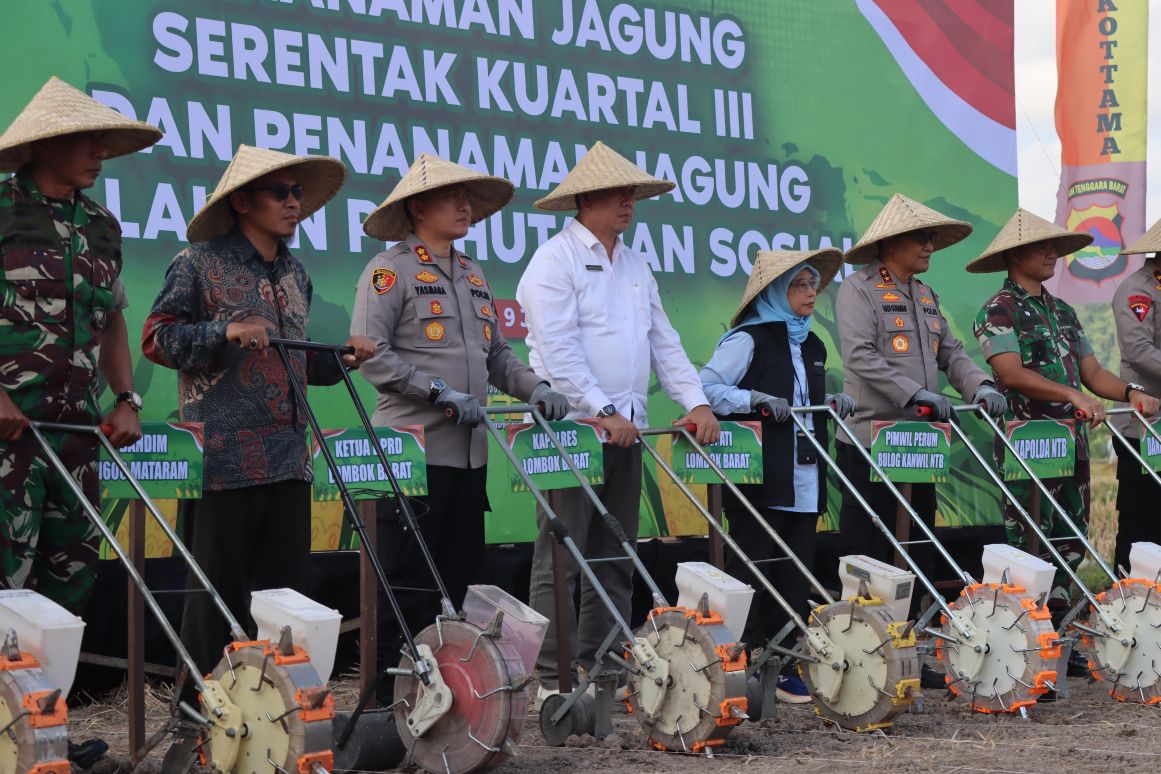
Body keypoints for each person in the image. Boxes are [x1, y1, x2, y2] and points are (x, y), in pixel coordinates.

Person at [142, 145, 375, 684]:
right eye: (281, 193)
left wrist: (344, 360)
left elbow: (297, 367)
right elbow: (156, 338)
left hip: (289, 460)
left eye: (297, 193)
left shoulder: (297, 275)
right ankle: (198, 717)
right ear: (244, 203)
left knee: (286, 600)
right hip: (221, 461)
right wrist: (222, 331)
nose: (294, 203)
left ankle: (275, 712)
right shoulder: (198, 262)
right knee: (213, 600)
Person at [352, 153, 568, 699]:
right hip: (411, 459)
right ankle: (385, 705)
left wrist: (535, 387)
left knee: (455, 588)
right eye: (453, 197)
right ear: (418, 207)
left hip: (469, 460)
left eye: (468, 197)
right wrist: (437, 391)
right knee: (406, 588)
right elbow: (369, 354)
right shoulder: (388, 270)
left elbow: (496, 355)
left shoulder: (473, 274)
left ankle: (444, 703)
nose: (465, 206)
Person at [517, 141, 720, 698]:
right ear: (585, 199)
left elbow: (665, 341)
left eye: (633, 193)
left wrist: (694, 400)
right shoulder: (552, 261)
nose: (628, 202)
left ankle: (605, 663)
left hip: (626, 428)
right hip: (574, 429)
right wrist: (601, 409)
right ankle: (550, 676)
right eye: (616, 193)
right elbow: (556, 352)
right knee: (561, 551)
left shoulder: (634, 263)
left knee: (615, 549)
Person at [0, 77, 161, 612]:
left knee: (68, 593)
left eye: (105, 145)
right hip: (8, 435)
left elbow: (112, 316)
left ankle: (48, 699)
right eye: (88, 141)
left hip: (76, 438)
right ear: (46, 143)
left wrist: (124, 399)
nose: (101, 155)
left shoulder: (101, 226)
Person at [972, 208, 1160, 620]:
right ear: (1014, 255)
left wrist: (1132, 392)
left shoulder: (1063, 311)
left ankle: (1054, 629)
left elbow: (1092, 372)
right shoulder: (999, 310)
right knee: (1027, 542)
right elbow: (1010, 372)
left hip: (1070, 444)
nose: (1051, 252)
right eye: (1041, 245)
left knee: (1071, 539)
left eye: (1054, 245)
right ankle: (1020, 634)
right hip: (1027, 445)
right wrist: (1072, 394)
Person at [837, 193, 1007, 616]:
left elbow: (951, 353)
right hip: (869, 442)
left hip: (919, 443)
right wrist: (914, 394)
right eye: (920, 237)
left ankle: (913, 639)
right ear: (890, 242)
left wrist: (981, 387)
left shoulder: (926, 293)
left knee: (918, 545)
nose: (930, 245)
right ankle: (870, 647)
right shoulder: (857, 289)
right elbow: (859, 356)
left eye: (932, 237)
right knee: (872, 553)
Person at [700, 247, 853, 704]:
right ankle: (735, 665)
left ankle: (784, 665)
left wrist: (834, 402)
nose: (810, 294)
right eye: (799, 286)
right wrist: (753, 400)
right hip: (761, 479)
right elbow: (706, 387)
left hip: (805, 475)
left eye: (812, 285)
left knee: (794, 573)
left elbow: (809, 399)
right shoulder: (748, 338)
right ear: (773, 293)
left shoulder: (814, 344)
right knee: (751, 570)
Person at [1110, 218, 1161, 573]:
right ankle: (1128, 599)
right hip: (1143, 425)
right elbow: (1140, 351)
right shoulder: (1138, 291)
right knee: (1143, 518)